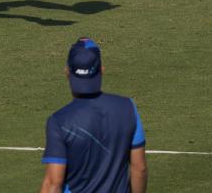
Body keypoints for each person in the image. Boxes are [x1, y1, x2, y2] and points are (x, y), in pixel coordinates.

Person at [39, 38, 147, 193]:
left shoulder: (59, 121)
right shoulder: (128, 108)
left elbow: (53, 183)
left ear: (67, 72)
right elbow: (139, 168)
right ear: (102, 70)